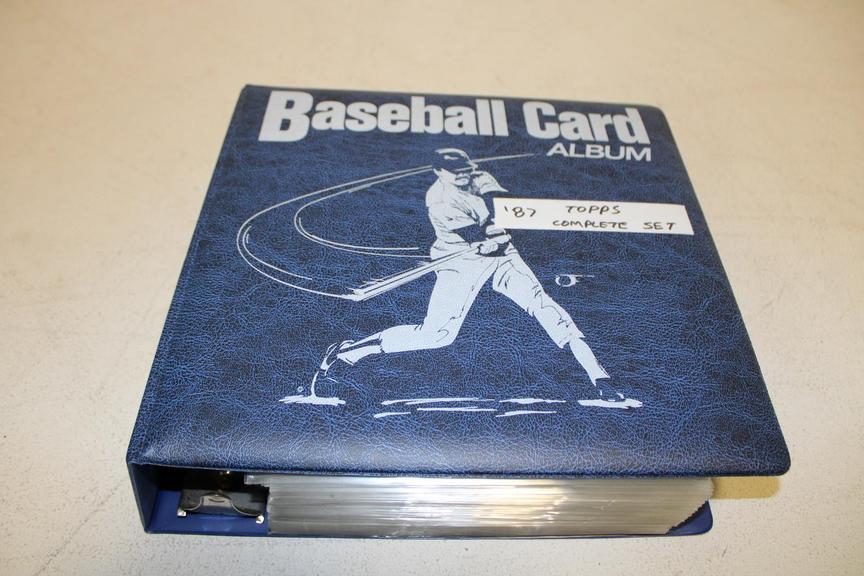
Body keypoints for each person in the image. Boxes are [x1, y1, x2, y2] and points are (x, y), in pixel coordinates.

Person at [319, 148, 640, 408]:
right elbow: (483, 234)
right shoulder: (441, 202)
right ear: (439, 172)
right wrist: (494, 235)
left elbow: (503, 203)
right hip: (461, 261)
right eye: (457, 173)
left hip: (502, 256)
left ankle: (600, 378)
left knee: (544, 306)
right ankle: (348, 351)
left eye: (466, 171)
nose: (464, 176)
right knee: (436, 335)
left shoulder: (476, 176)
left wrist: (509, 217)